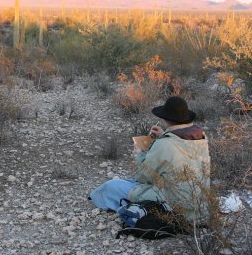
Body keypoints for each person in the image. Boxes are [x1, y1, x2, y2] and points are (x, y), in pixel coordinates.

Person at [89, 96, 211, 224]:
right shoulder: (201, 137)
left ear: (165, 118)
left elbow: (144, 177)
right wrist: (163, 135)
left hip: (174, 202)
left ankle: (101, 199)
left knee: (112, 186)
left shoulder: (164, 144)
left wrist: (139, 154)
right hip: (199, 202)